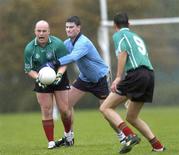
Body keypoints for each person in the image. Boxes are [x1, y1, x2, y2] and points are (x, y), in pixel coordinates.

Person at [47, 16, 126, 147]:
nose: (68, 29)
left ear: (79, 28)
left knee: (106, 112)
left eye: (71, 27)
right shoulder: (67, 43)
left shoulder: (83, 42)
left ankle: (123, 136)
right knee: (65, 107)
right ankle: (69, 137)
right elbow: (58, 52)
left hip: (101, 78)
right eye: (67, 27)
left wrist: (54, 63)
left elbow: (73, 57)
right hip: (84, 79)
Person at [99, 12, 165, 154]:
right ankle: (158, 146)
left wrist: (118, 77)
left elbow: (123, 53)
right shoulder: (137, 36)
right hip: (149, 75)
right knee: (132, 117)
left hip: (136, 74)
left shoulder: (118, 35)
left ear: (114, 26)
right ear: (129, 24)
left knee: (105, 108)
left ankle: (130, 135)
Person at [24, 20, 72, 149]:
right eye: (39, 31)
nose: (41, 33)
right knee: (46, 110)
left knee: (64, 111)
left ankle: (68, 134)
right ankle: (51, 142)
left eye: (44, 31)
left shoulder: (58, 44)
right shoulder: (29, 48)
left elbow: (64, 63)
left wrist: (59, 75)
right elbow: (29, 69)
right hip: (41, 79)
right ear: (35, 31)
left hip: (59, 77)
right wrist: (38, 78)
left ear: (49, 32)